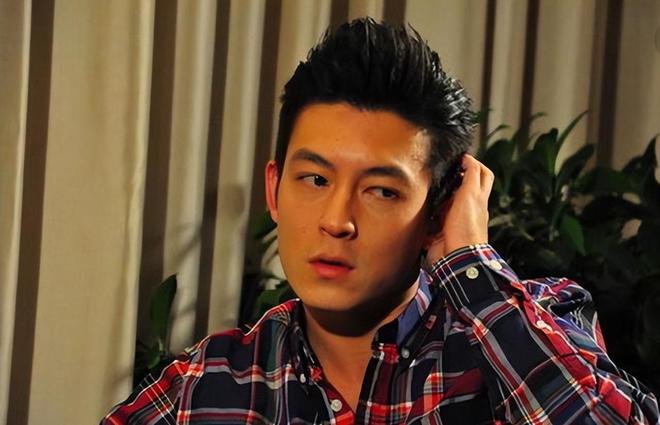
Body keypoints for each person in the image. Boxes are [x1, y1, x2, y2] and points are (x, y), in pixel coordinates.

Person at [102, 18, 659, 424]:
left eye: (381, 191)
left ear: (439, 211)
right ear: (274, 190)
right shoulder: (207, 386)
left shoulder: (527, 328)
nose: (337, 221)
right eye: (315, 180)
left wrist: (470, 265)